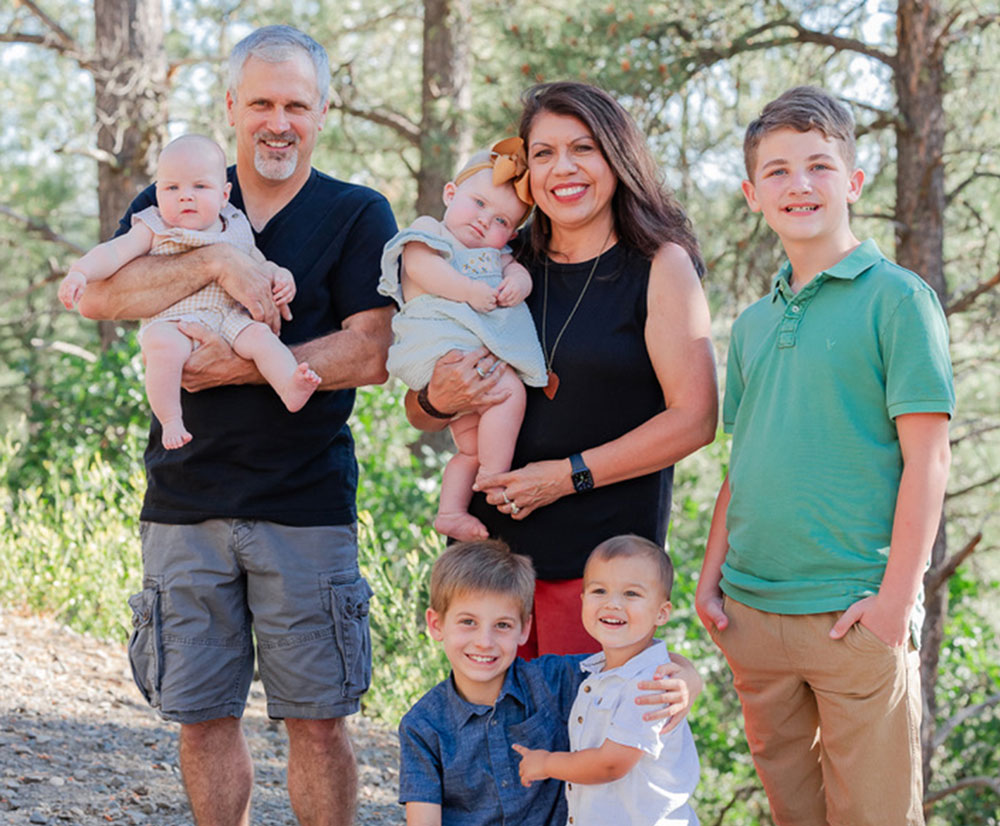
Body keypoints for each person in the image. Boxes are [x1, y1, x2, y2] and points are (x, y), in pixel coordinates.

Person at [75, 25, 397, 826]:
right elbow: (105, 296)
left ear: (323, 110)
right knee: (202, 715)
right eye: (260, 103)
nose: (277, 121)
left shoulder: (357, 212)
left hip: (307, 504)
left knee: (318, 722)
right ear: (231, 107)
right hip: (186, 501)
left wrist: (243, 363)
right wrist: (219, 262)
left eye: (296, 104)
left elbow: (372, 350)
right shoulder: (180, 195)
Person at [695, 86, 954, 826]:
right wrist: (713, 584)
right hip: (753, 614)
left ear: (853, 182)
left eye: (818, 165)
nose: (798, 184)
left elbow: (928, 460)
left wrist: (895, 604)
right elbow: (744, 464)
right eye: (776, 171)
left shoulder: (899, 301)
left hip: (853, 612)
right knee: (794, 816)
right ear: (751, 194)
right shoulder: (750, 324)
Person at [404, 81, 718, 658]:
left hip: (600, 577)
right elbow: (420, 410)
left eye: (583, 148)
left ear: (617, 156)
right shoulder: (497, 258)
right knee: (493, 745)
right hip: (489, 577)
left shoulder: (658, 266)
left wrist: (565, 475)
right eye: (544, 153)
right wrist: (438, 398)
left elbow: (695, 420)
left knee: (584, 743)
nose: (562, 169)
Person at [398, 539, 702, 826]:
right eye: (468, 622)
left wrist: (688, 676)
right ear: (436, 625)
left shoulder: (556, 680)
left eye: (502, 625)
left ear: (524, 629)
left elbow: (633, 659)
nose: (484, 642)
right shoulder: (422, 725)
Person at [59, 134, 320, 449]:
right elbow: (113, 253)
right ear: (157, 192)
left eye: (199, 187)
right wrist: (80, 273)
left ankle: (290, 386)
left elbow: (260, 264)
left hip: (228, 318)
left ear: (224, 195)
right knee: (162, 347)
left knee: (262, 339)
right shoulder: (153, 225)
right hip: (175, 321)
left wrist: (282, 276)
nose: (185, 197)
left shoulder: (235, 224)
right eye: (172, 188)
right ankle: (171, 419)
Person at [378, 140, 546, 541]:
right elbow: (420, 266)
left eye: (503, 221)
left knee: (468, 448)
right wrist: (469, 290)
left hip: (463, 357)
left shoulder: (498, 254)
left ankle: (451, 511)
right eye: (479, 204)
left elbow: (518, 272)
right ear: (450, 194)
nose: (486, 222)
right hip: (437, 347)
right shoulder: (428, 231)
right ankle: (494, 476)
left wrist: (518, 286)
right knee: (508, 391)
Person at [513, 535, 700, 825]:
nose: (613, 604)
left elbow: (611, 764)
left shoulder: (651, 683)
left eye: (631, 594)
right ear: (583, 600)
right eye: (599, 591)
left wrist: (546, 763)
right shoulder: (598, 670)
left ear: (662, 613)